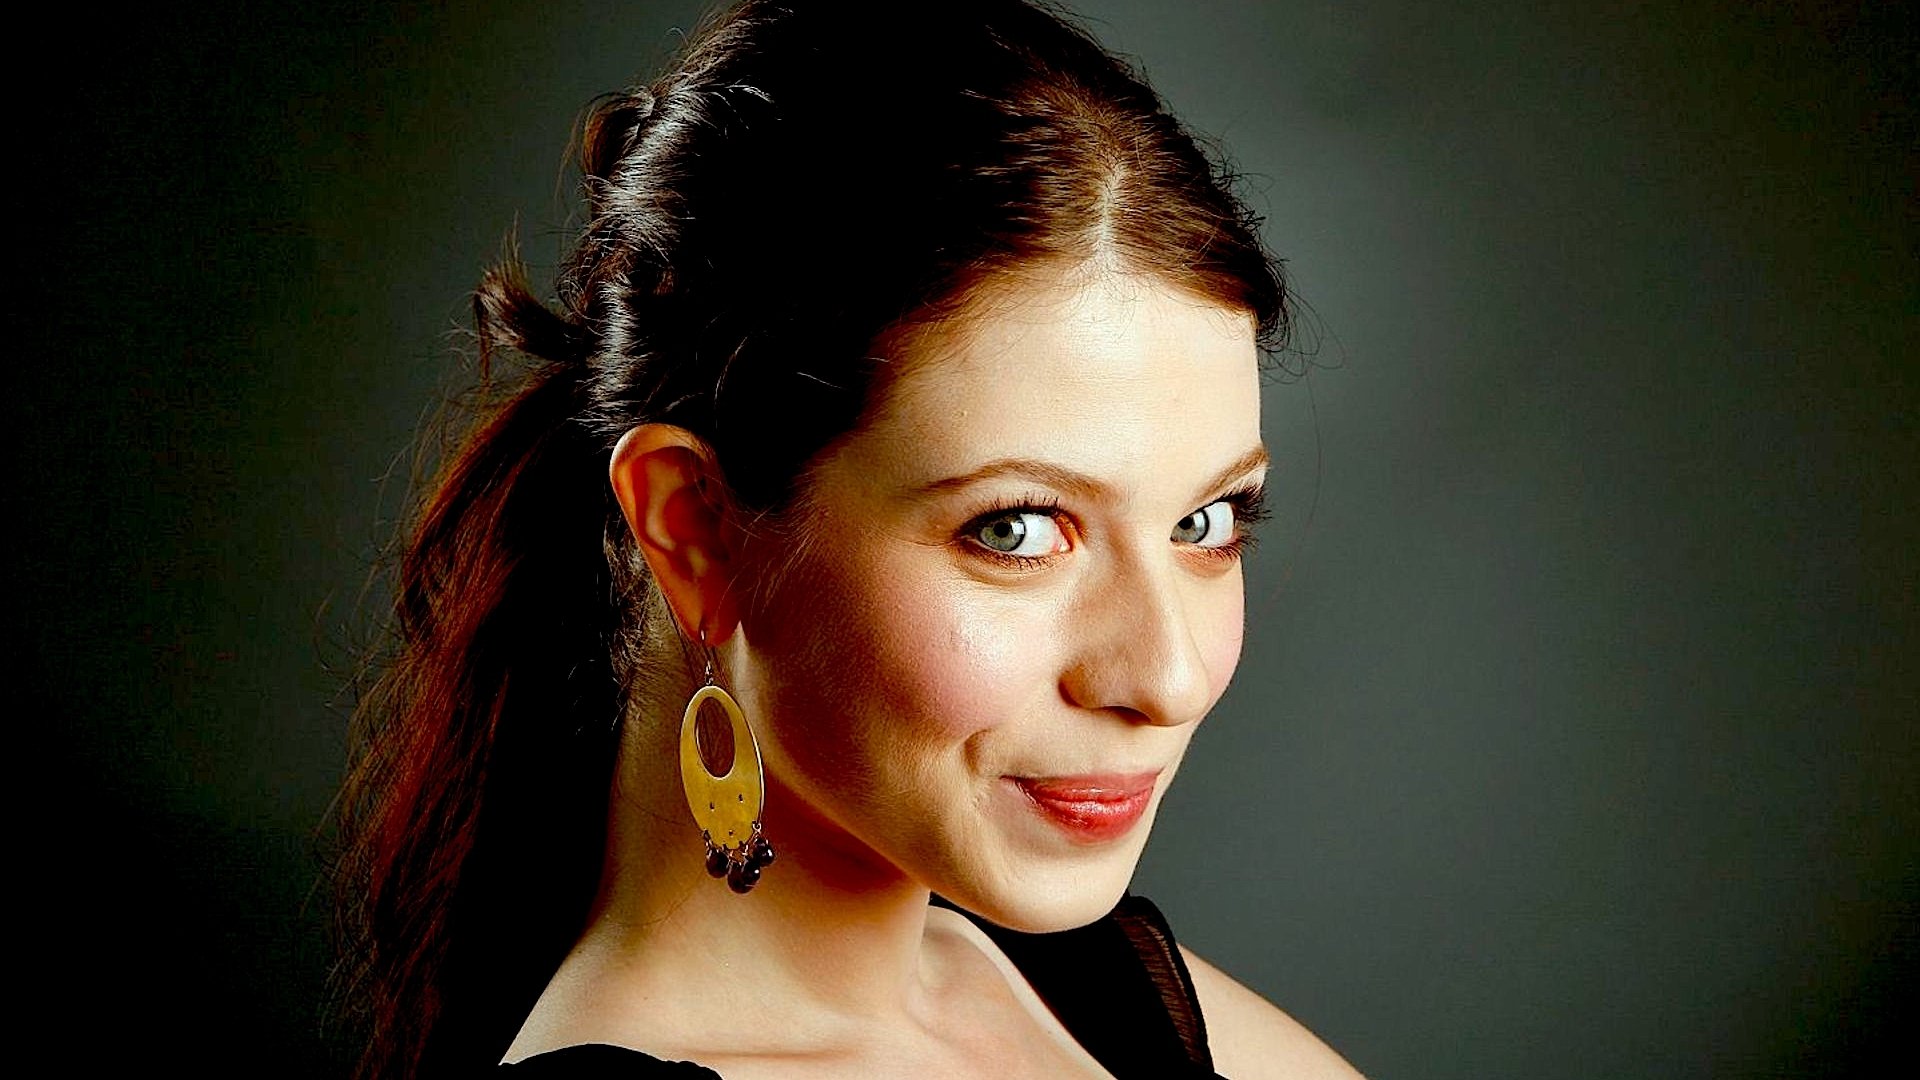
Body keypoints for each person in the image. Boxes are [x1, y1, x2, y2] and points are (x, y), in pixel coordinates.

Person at [335, 1, 1365, 1077]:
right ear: (695, 532)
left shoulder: (1102, 998)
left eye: (1205, 523)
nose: (1169, 677)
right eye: (1015, 529)